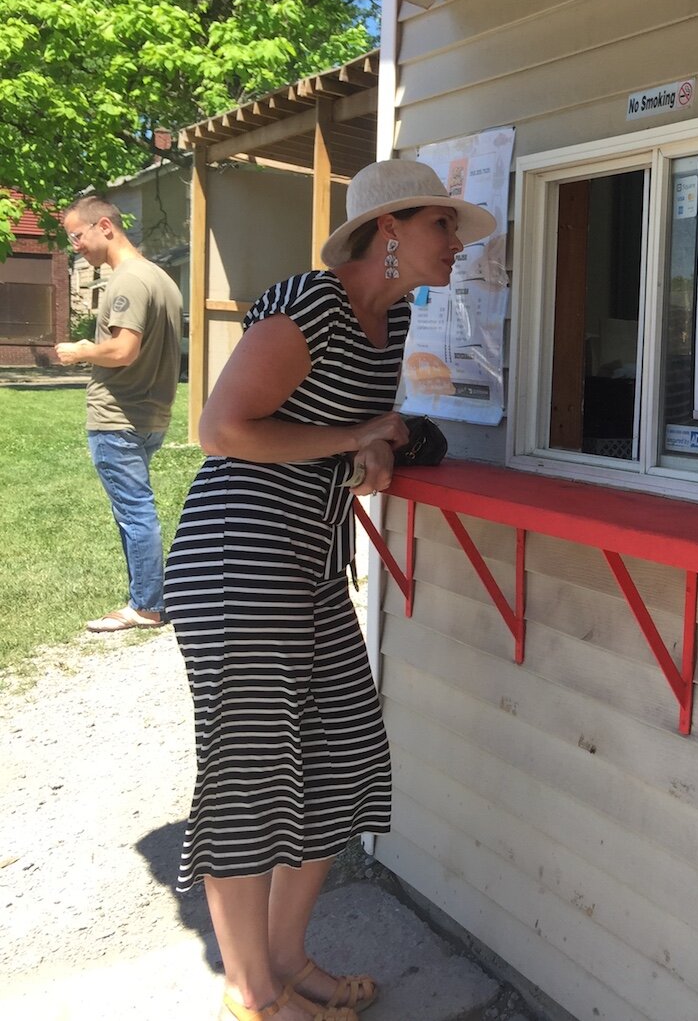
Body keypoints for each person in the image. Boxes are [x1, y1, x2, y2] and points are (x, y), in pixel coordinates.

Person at [163, 159, 495, 1021]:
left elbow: (335, 432)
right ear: (390, 229)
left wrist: (370, 445)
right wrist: (359, 435)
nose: (455, 243)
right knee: (250, 771)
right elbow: (222, 428)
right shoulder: (311, 304)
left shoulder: (390, 322)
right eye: (441, 225)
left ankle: (286, 958)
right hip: (239, 560)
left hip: (308, 563)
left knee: (345, 755)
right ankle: (253, 993)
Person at [55, 196, 184, 633]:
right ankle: (149, 597)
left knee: (135, 511)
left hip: (118, 416)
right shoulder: (161, 278)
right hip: (151, 415)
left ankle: (146, 605)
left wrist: (80, 351)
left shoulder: (127, 280)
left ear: (104, 227)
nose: (75, 246)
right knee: (136, 509)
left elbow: (123, 350)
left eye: (77, 235)